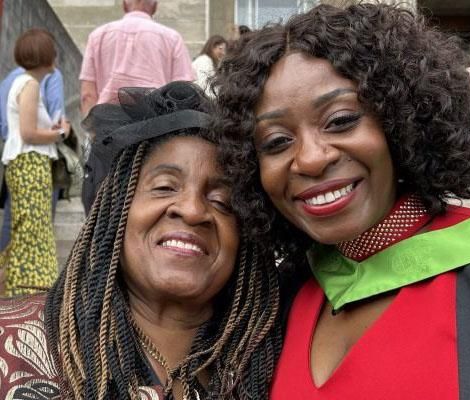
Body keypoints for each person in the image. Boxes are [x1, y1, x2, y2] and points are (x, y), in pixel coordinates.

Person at [216, 3, 470, 398]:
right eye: (277, 142)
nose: (312, 159)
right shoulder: (278, 302)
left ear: (400, 120)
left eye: (341, 120)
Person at [0, 81, 281, 399]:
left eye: (222, 201)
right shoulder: (10, 344)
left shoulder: (275, 362)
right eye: (164, 186)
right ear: (115, 209)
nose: (191, 211)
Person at [79, 0, 196, 215]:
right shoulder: (171, 38)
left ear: (125, 3)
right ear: (155, 5)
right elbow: (184, 95)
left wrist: (95, 136)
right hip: (156, 136)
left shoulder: (98, 36)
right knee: (150, 206)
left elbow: (88, 95)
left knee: (103, 209)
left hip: (107, 135)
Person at [0, 29, 70, 296]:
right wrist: (59, 133)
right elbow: (29, 133)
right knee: (33, 232)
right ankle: (27, 292)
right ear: (45, 55)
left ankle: (20, 289)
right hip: (30, 164)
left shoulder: (23, 83)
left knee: (26, 231)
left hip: (25, 162)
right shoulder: (29, 85)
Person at [0, 67, 65, 251]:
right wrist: (62, 131)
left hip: (13, 156)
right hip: (37, 157)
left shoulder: (10, 78)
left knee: (11, 223)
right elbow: (56, 115)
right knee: (39, 230)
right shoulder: (49, 75)